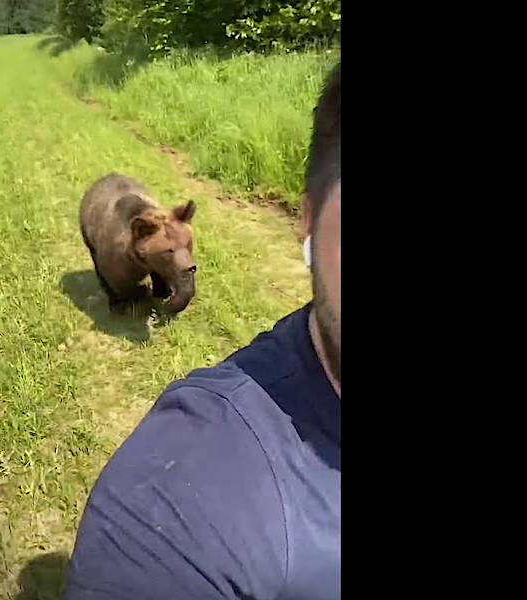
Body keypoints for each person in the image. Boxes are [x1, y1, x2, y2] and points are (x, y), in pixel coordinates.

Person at [64, 63, 341, 600]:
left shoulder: (168, 235)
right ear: (307, 219)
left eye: (187, 251)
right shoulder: (181, 506)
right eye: (172, 256)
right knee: (124, 286)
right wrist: (130, 296)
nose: (187, 263)